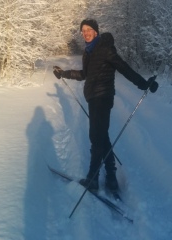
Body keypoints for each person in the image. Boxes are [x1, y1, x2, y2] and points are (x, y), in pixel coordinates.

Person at [53, 18, 158, 193]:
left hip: (102, 98)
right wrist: (63, 73)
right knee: (102, 136)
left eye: (89, 30)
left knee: (96, 137)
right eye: (83, 31)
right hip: (93, 98)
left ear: (96, 31)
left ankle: (93, 178)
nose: (85, 33)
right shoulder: (88, 52)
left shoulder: (105, 49)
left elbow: (123, 68)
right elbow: (84, 74)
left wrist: (143, 84)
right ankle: (111, 178)